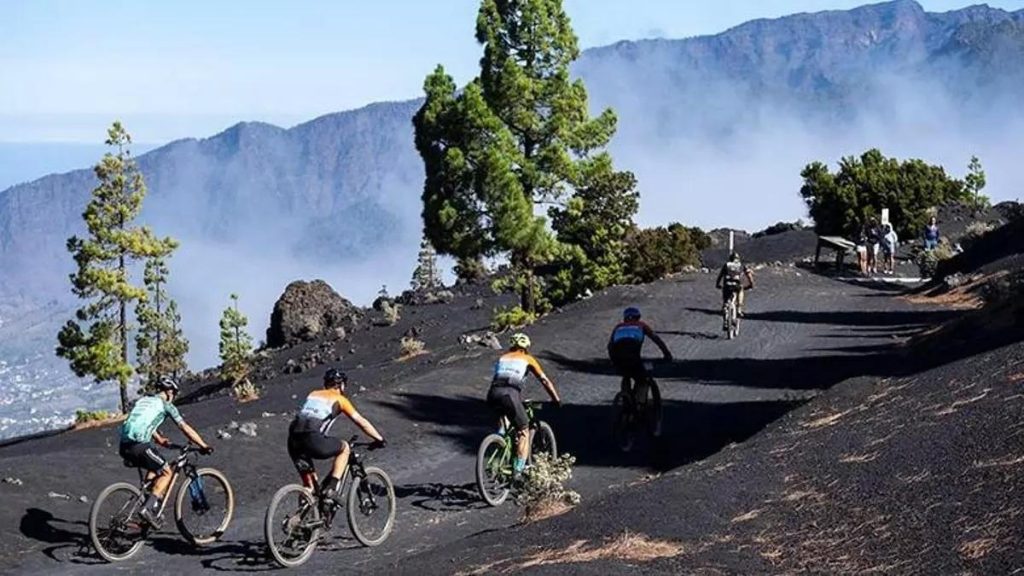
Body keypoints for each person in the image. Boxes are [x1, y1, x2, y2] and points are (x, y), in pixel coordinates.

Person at [119, 377, 213, 526]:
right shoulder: (166, 406)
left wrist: (159, 439)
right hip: (140, 445)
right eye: (173, 394)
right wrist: (203, 445)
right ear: (169, 392)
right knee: (166, 471)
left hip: (124, 446)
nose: (173, 397)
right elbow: (184, 427)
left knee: (154, 465)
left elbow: (142, 421)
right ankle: (147, 509)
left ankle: (149, 502)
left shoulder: (144, 401)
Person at [288, 368, 386, 500]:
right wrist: (379, 439)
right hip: (313, 439)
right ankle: (331, 488)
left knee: (310, 486)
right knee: (345, 448)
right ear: (341, 385)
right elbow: (361, 422)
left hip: (293, 440)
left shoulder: (313, 394)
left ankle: (301, 517)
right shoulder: (340, 400)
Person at [487, 333, 561, 480]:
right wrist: (556, 399)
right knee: (523, 430)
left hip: (492, 394)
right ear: (526, 347)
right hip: (510, 395)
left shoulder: (503, 358)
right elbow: (544, 381)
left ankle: (498, 447)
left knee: (504, 424)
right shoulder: (528, 359)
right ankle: (519, 469)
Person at [607, 307, 672, 413]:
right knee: (643, 379)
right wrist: (667, 354)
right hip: (633, 357)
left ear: (625, 319)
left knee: (626, 374)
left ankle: (625, 398)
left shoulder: (618, 327)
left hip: (617, 357)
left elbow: (610, 345)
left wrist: (613, 360)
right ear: (638, 317)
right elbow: (656, 339)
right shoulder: (641, 325)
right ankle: (639, 405)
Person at [716, 252, 755, 323]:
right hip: (737, 285)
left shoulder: (726, 265)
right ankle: (739, 309)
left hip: (727, 285)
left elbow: (720, 276)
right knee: (741, 290)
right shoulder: (741, 265)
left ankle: (725, 316)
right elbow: (749, 276)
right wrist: (751, 284)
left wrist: (717, 284)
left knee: (726, 301)